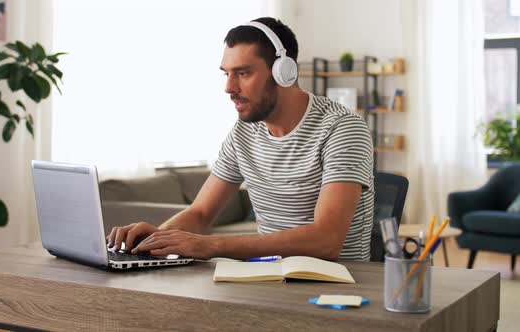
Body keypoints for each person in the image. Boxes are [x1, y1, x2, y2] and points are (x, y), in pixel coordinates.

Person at [107, 17, 374, 261]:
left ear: (284, 72)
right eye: (226, 73)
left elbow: (326, 241)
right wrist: (156, 239)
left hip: (337, 288)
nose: (229, 88)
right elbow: (200, 213)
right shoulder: (243, 133)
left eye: (243, 73)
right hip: (269, 279)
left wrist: (211, 245)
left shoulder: (342, 129)